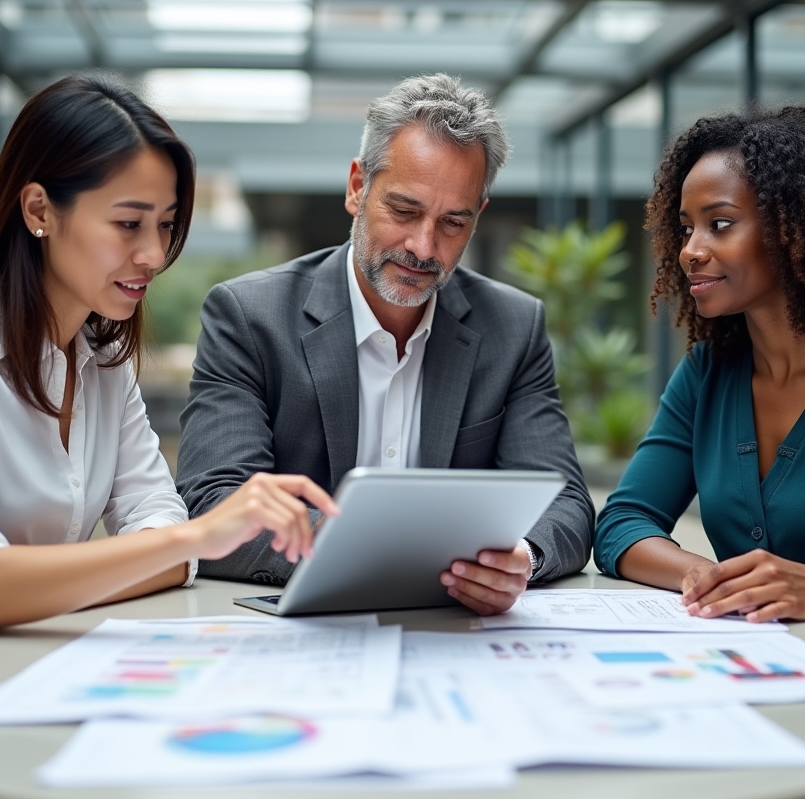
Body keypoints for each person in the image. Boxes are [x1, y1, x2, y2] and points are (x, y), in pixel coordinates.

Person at [0, 75, 338, 638]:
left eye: (165, 225)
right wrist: (189, 539)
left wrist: (170, 546)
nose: (155, 254)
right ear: (39, 209)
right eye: (128, 224)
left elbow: (163, 532)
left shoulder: (102, 364)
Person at [176, 73, 595, 614]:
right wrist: (380, 553)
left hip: (459, 639)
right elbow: (213, 500)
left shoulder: (513, 327)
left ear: (478, 217)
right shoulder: (249, 317)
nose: (423, 246)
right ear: (357, 187)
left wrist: (523, 559)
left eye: (453, 222)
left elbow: (565, 500)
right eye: (403, 211)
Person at [593, 103, 805, 641]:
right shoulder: (707, 373)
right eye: (686, 229)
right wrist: (708, 578)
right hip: (763, 676)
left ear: (799, 224)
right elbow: (621, 525)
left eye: (720, 224)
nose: (690, 251)